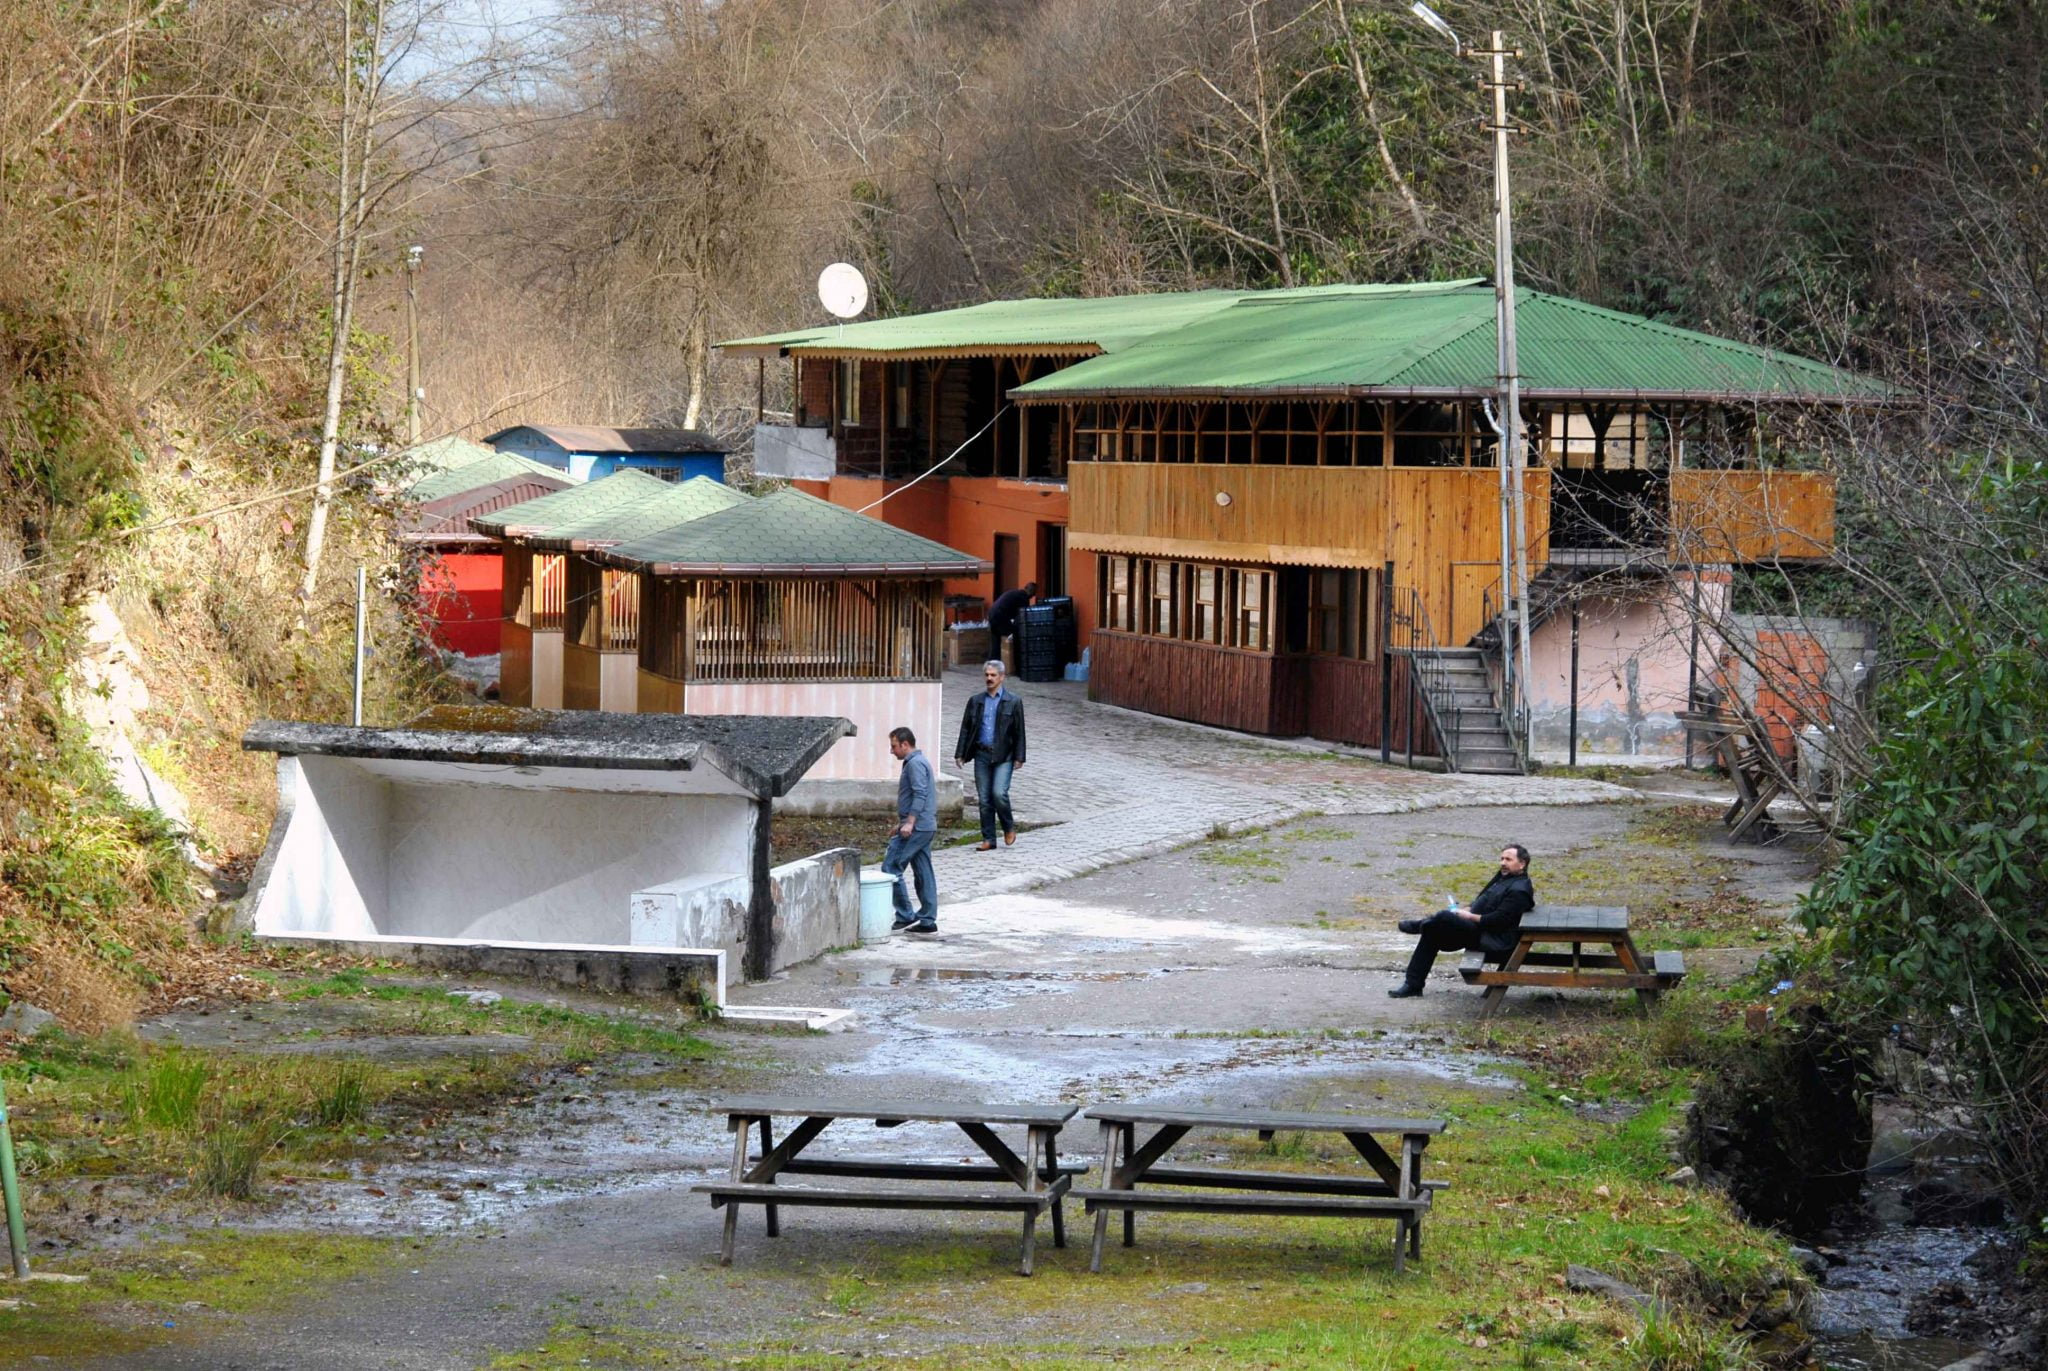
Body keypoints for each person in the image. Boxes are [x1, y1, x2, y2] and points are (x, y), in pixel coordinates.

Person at [1387, 844, 1534, 998]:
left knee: (1443, 917)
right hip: (1478, 931)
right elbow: (1481, 901)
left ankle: (1419, 925)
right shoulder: (1504, 878)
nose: (1503, 863)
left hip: (1493, 940)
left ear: (1522, 863)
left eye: (1508, 859)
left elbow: (1498, 920)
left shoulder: (1519, 890)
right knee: (1432, 930)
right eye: (1502, 859)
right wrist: (1466, 910)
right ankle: (1412, 985)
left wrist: (1468, 917)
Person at [954, 658, 1026, 851]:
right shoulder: (976, 701)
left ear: (1002, 677)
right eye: (987, 675)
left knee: (998, 793)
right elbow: (966, 729)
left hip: (1004, 755)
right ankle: (988, 838)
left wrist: (1020, 757)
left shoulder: (1013, 702)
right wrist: (960, 753)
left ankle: (1008, 826)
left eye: (993, 675)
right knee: (984, 798)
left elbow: (1019, 731)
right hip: (981, 754)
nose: (989, 678)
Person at [884, 726, 939, 934]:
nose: (892, 751)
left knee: (891, 868)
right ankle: (927, 920)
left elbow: (920, 794)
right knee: (924, 872)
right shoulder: (919, 762)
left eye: (894, 746)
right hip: (924, 826)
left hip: (917, 828)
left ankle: (905, 915)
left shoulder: (915, 764)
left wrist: (909, 823)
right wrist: (901, 823)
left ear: (905, 744)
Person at [986, 581, 1037, 654]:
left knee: (996, 641)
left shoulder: (1016, 593)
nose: (1033, 594)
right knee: (1015, 635)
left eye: (1034, 592)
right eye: (1032, 591)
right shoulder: (1023, 597)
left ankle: (994, 661)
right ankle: (1014, 659)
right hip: (999, 616)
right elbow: (1023, 617)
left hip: (992, 614)